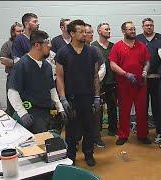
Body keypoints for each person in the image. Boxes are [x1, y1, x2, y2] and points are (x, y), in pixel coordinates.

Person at [55, 20, 101, 167]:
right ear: (72, 33)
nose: (84, 34)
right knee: (72, 132)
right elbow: (60, 77)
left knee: (89, 128)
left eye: (85, 31)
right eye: (81, 31)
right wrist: (62, 98)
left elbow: (95, 76)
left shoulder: (92, 51)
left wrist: (97, 97)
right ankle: (71, 157)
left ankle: (89, 154)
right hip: (71, 98)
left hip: (88, 97)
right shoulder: (63, 52)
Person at [8, 30, 67, 134]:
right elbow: (12, 92)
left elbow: (52, 89)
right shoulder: (21, 65)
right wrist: (22, 113)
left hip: (46, 112)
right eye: (47, 42)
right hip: (30, 113)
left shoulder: (47, 66)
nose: (50, 45)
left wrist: (60, 108)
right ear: (37, 45)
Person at [109, 21, 151, 145]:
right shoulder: (117, 46)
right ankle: (123, 135)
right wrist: (125, 74)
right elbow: (113, 64)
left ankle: (142, 135)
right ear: (123, 31)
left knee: (142, 110)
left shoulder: (142, 45)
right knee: (124, 111)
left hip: (140, 84)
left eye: (133, 29)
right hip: (124, 84)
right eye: (129, 29)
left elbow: (147, 62)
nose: (133, 31)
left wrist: (145, 71)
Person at [136, 17, 161, 143]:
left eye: (151, 25)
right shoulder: (137, 39)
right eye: (146, 25)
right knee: (142, 106)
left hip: (158, 79)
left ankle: (160, 132)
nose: (149, 27)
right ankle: (143, 133)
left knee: (158, 106)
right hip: (143, 79)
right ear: (143, 27)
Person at [91, 22, 118, 137]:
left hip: (112, 82)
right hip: (99, 83)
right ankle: (98, 131)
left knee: (112, 107)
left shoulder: (114, 46)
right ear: (99, 31)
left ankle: (113, 129)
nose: (109, 31)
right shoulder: (93, 46)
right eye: (106, 29)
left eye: (109, 29)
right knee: (98, 109)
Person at [85, 23, 106, 148]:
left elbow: (103, 67)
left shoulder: (95, 50)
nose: (91, 34)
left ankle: (96, 137)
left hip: (95, 88)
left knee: (96, 114)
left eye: (92, 32)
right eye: (88, 32)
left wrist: (95, 80)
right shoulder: (73, 50)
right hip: (80, 90)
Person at [0, 22, 23, 116]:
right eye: (18, 31)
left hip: (27, 79)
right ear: (13, 32)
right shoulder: (8, 45)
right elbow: (2, 60)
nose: (20, 33)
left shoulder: (27, 43)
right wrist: (16, 62)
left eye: (22, 31)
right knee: (12, 103)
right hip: (13, 78)